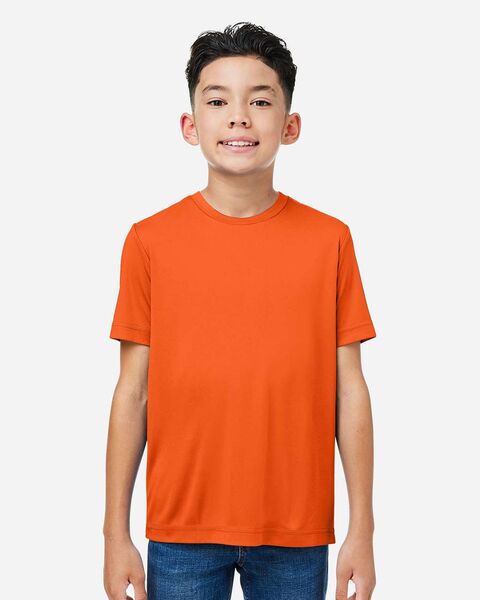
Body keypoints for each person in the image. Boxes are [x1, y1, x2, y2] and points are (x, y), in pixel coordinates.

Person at [103, 21, 377, 600]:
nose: (238, 118)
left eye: (260, 101)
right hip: (180, 529)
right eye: (217, 101)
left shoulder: (330, 240)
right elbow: (134, 392)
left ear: (290, 125)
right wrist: (114, 535)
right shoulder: (149, 241)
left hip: (297, 530)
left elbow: (349, 387)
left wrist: (363, 529)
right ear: (190, 125)